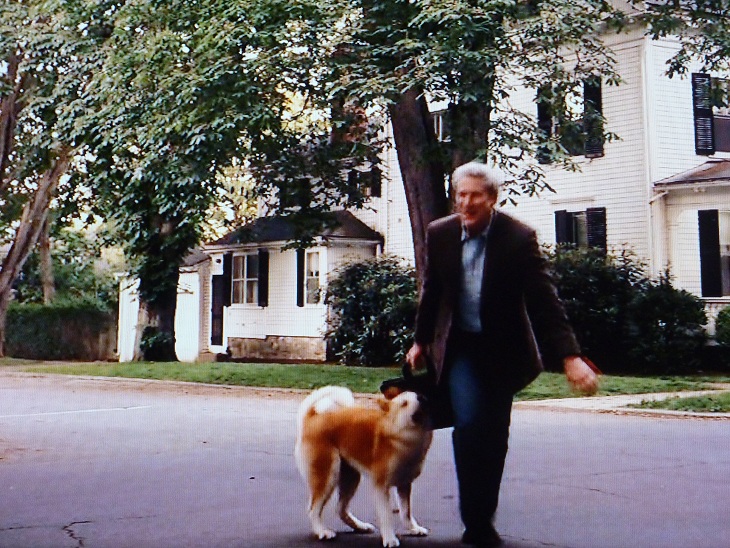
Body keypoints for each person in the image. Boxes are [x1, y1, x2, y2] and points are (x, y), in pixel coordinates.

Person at [406, 161, 598, 547]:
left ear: (492, 198)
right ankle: (475, 521)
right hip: (461, 346)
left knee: (493, 436)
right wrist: (421, 341)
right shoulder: (440, 233)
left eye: (476, 195)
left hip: (503, 352)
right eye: (461, 195)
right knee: (469, 425)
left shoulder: (517, 238)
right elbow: (432, 290)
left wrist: (570, 356)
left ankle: (483, 515)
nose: (467, 203)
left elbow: (544, 299)